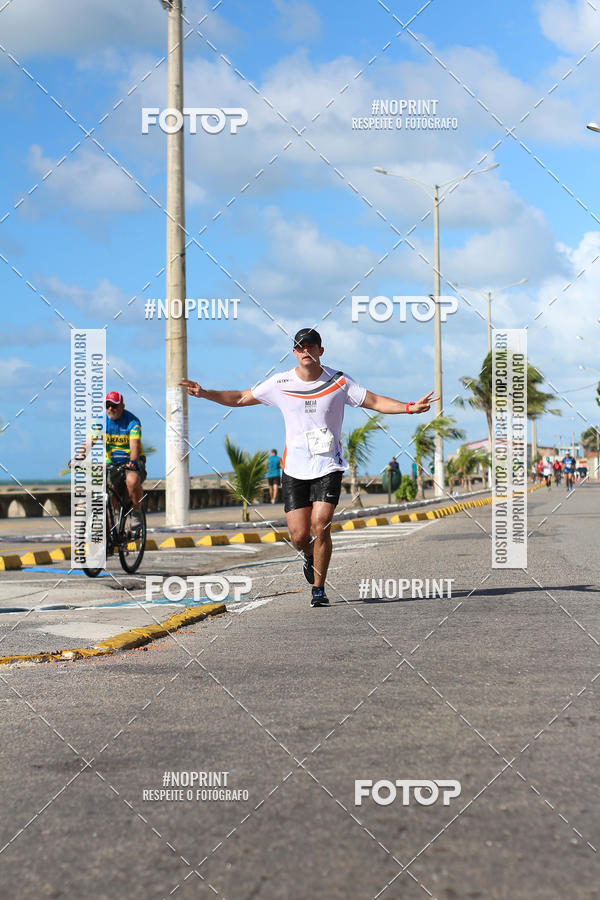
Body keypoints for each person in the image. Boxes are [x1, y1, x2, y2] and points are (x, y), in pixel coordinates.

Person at [180, 327, 436, 608]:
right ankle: (310, 554)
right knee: (299, 536)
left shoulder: (339, 381)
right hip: (294, 469)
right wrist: (204, 393)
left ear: (320, 351)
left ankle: (318, 589)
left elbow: (374, 401)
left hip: (328, 466)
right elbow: (241, 397)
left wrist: (409, 407)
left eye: (310, 346)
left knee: (321, 524)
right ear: (294, 352)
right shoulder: (280, 382)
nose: (305, 351)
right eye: (300, 347)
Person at [104, 391, 146, 530]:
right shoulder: (101, 422)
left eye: (114, 406)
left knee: (132, 481)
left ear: (122, 406)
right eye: (107, 406)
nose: (110, 409)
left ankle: (137, 512)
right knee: (108, 496)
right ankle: (110, 531)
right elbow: (89, 442)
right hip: (111, 463)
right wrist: (78, 458)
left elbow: (134, 445)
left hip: (132, 461)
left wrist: (133, 461)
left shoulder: (132, 422)